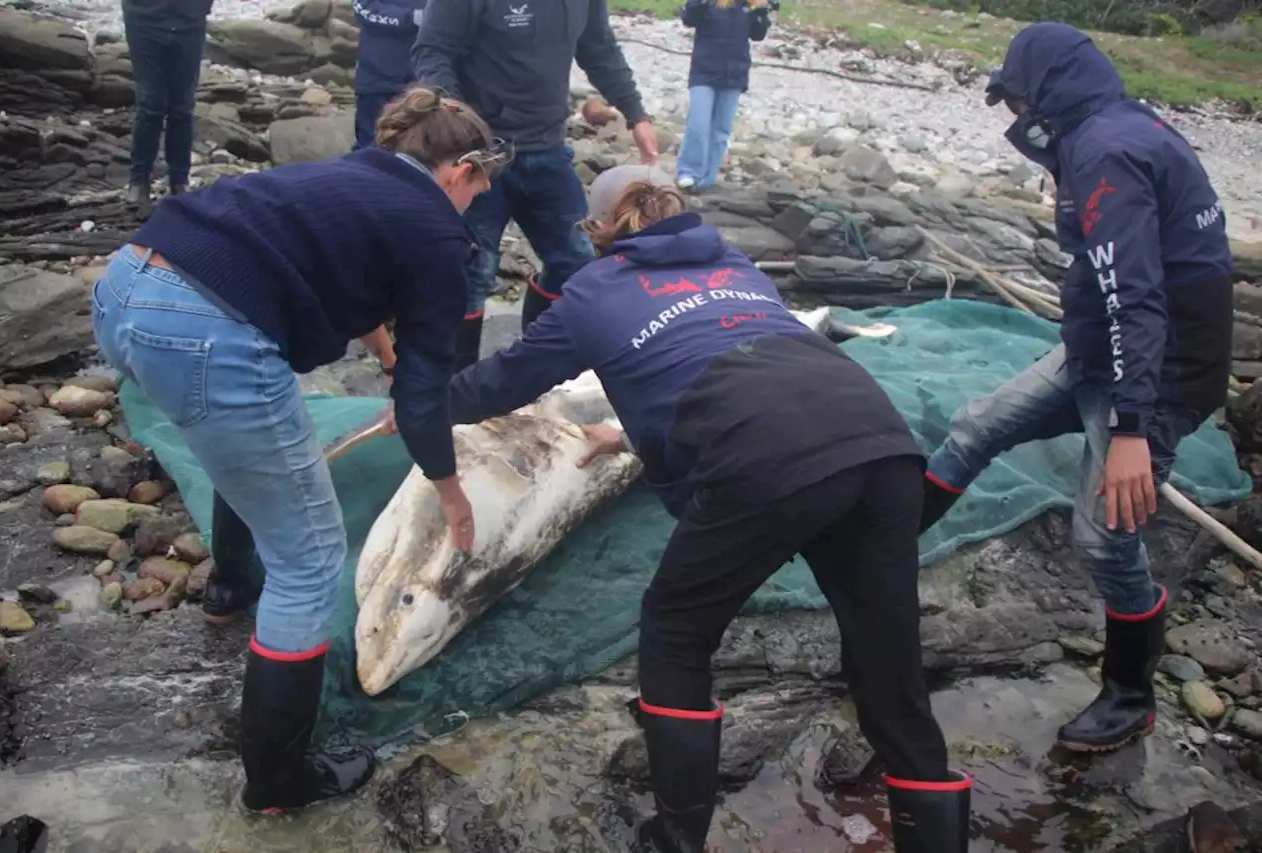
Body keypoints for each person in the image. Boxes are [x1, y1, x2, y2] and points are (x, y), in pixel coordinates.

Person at [445, 165, 973, 853]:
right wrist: (629, 432)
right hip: (881, 443)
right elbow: (722, 359)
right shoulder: (735, 262)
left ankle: (675, 838)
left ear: (597, 230)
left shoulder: (592, 287)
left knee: (675, 632)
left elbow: (499, 382)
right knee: (887, 660)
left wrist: (421, 404)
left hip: (769, 460)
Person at [90, 86, 512, 814]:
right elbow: (421, 394)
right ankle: (277, 782)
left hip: (126, 288)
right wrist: (448, 488)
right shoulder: (440, 234)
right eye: (480, 188)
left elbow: (334, 270)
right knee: (310, 557)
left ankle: (228, 587)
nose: (476, 203)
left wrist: (383, 349)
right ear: (459, 171)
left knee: (243, 449)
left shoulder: (350, 173)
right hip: (205, 330)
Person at [919, 22, 1234, 754]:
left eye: (1014, 99)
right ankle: (882, 553)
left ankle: (1131, 692)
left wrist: (1130, 429)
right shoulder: (1105, 130)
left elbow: (1138, 296)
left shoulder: (1108, 152)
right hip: (1096, 349)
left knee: (1105, 534)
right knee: (976, 425)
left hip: (1158, 373)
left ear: (1046, 92)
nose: (1011, 117)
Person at [411, 0, 663, 370]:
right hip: (482, 153)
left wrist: (635, 114)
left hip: (547, 149)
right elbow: (432, 51)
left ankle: (534, 358)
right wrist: (452, 113)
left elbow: (599, 48)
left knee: (577, 257)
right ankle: (456, 386)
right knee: (471, 271)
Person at [674, 0, 774, 191]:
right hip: (704, 72)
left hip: (734, 75)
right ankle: (688, 172)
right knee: (698, 125)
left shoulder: (747, 4)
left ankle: (707, 179)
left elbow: (758, 34)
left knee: (721, 131)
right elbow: (689, 18)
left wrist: (760, 9)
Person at [120, 0, 213, 205]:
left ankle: (179, 181)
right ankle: (139, 181)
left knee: (182, 107)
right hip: (143, 21)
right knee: (150, 104)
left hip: (190, 22)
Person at [351, 0, 429, 150]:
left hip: (423, 83)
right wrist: (410, 18)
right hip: (378, 79)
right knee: (369, 149)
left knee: (422, 151)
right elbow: (362, 8)